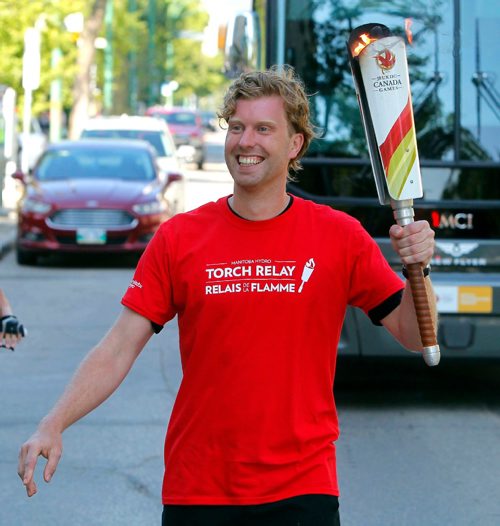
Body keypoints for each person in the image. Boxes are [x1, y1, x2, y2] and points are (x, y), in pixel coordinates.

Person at [18, 66, 437, 525]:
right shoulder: (180, 238)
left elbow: (416, 336)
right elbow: (118, 347)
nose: (245, 141)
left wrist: (418, 268)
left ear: (295, 144)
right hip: (198, 488)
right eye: (236, 127)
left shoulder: (339, 236)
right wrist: (53, 422)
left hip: (302, 489)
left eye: (263, 128)